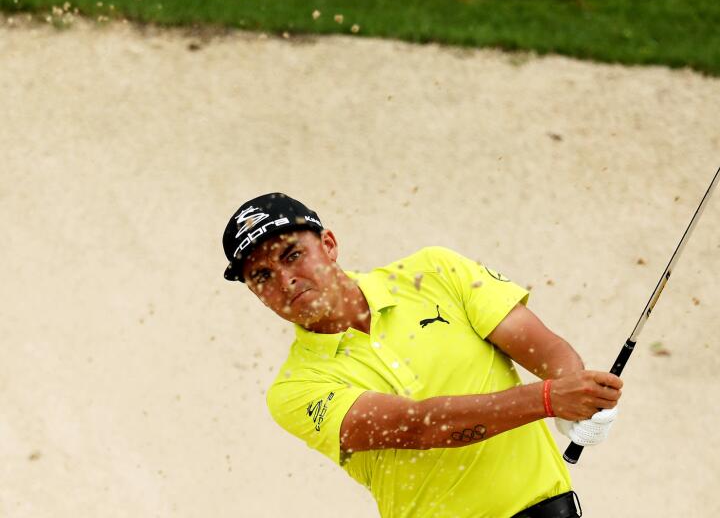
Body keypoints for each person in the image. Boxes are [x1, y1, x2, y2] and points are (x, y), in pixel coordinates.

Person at [222, 192, 623, 518]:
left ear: (328, 244)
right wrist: (550, 399)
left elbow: (542, 347)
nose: (285, 279)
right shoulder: (296, 389)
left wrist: (576, 396)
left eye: (292, 255)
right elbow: (418, 427)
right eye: (262, 275)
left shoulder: (434, 272)